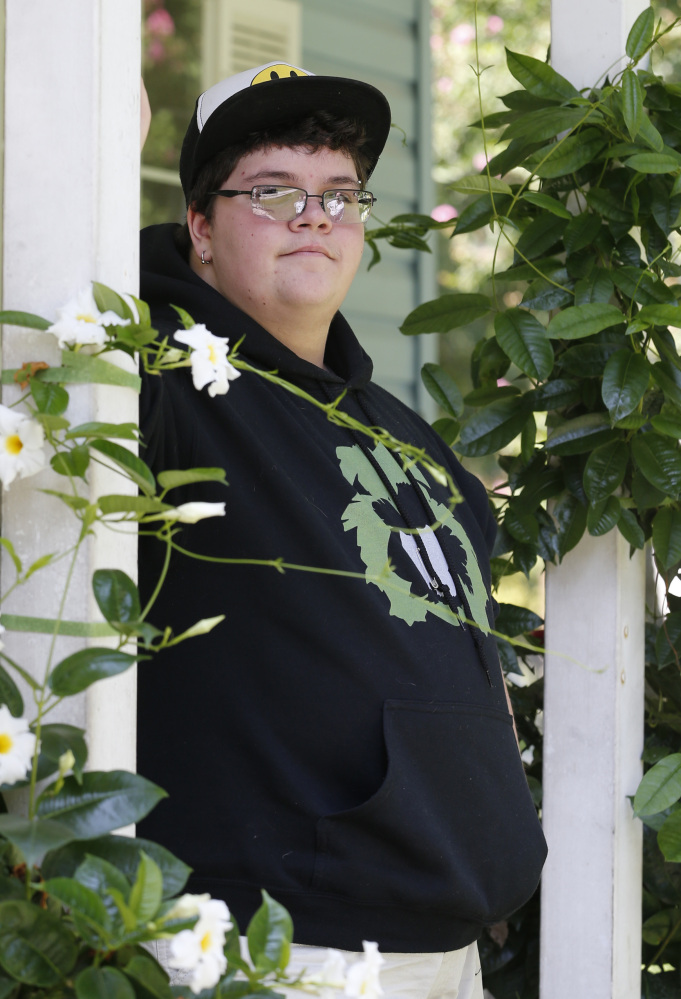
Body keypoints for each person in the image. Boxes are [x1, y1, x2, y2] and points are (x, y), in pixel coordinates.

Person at [137, 62, 547, 999]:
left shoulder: (406, 438)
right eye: (272, 190)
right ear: (199, 226)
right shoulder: (156, 382)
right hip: (281, 943)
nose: (313, 215)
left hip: (445, 946)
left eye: (337, 194)